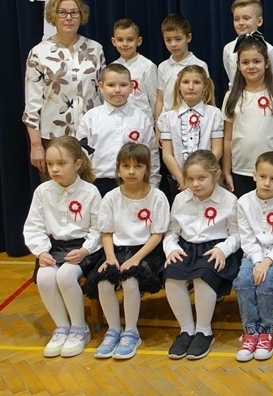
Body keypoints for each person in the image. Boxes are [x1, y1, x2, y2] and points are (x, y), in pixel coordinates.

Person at [84, 143, 168, 360]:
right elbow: (106, 232)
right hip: (116, 250)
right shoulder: (111, 197)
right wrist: (110, 257)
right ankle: (113, 330)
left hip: (146, 251)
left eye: (138, 166)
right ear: (118, 169)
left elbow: (157, 235)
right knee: (104, 282)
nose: (131, 171)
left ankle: (131, 332)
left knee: (130, 281)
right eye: (126, 166)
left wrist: (136, 259)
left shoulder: (157, 196)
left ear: (147, 169)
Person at [22, 136, 102, 358]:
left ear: (77, 164)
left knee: (66, 276)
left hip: (84, 249)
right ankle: (62, 327)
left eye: (61, 163)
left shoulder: (90, 192)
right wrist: (41, 251)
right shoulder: (42, 192)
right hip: (54, 248)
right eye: (50, 164)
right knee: (45, 277)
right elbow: (34, 226)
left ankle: (79, 328)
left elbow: (98, 228)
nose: (54, 169)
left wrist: (85, 250)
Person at [163, 150, 242, 360]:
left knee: (202, 275)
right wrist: (171, 249)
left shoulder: (229, 200)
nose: (195, 184)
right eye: (190, 179)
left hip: (217, 248)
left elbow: (237, 235)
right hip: (186, 247)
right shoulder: (180, 199)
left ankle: (204, 331)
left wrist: (223, 249)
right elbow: (172, 231)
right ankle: (186, 329)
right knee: (171, 275)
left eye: (201, 178)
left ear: (215, 175)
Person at [23, 0, 105, 174]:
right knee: (58, 189)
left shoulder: (95, 49)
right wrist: (36, 145)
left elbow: (104, 92)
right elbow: (32, 104)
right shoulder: (39, 53)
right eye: (62, 12)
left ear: (81, 16)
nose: (68, 18)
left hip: (93, 136)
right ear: (53, 16)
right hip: (55, 139)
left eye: (74, 12)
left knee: (92, 188)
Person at [233, 152, 273, 362]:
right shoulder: (244, 202)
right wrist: (258, 261)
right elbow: (247, 238)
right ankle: (251, 333)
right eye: (263, 177)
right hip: (252, 254)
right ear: (254, 176)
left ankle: (266, 334)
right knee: (243, 281)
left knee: (266, 284)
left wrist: (267, 262)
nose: (267, 183)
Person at [222, 34, 273, 196]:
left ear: (267, 63)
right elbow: (227, 138)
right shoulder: (231, 97)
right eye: (245, 62)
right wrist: (226, 171)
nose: (251, 66)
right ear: (238, 65)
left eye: (256, 61)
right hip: (241, 170)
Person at [77, 63, 160, 196]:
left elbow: (152, 154)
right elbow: (82, 154)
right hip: (99, 183)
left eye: (123, 85)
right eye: (111, 85)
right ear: (101, 87)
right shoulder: (91, 118)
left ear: (131, 87)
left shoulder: (141, 118)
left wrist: (153, 185)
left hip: (135, 182)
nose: (117, 90)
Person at [158, 65, 224, 196]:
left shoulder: (214, 114)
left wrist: (203, 174)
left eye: (196, 82)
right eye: (186, 82)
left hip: (207, 179)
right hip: (178, 181)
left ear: (205, 86)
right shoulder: (168, 117)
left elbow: (217, 150)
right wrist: (183, 180)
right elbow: (167, 154)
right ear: (179, 86)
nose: (191, 87)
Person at [154, 13, 209, 122]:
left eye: (178, 39)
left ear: (188, 37)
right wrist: (157, 124)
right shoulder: (162, 67)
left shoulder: (200, 65)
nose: (173, 44)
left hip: (192, 121)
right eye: (168, 40)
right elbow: (160, 99)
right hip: (167, 122)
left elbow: (206, 96)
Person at [221, 0, 273, 90]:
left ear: (259, 21)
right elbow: (230, 75)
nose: (240, 23)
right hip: (237, 94)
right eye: (236, 19)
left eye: (246, 18)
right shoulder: (228, 48)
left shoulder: (268, 49)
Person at [111, 18, 157, 120]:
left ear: (139, 41)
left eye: (130, 40)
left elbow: (154, 99)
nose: (125, 44)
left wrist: (155, 123)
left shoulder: (148, 66)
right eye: (120, 40)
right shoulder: (111, 69)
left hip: (142, 122)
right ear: (114, 42)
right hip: (118, 121)